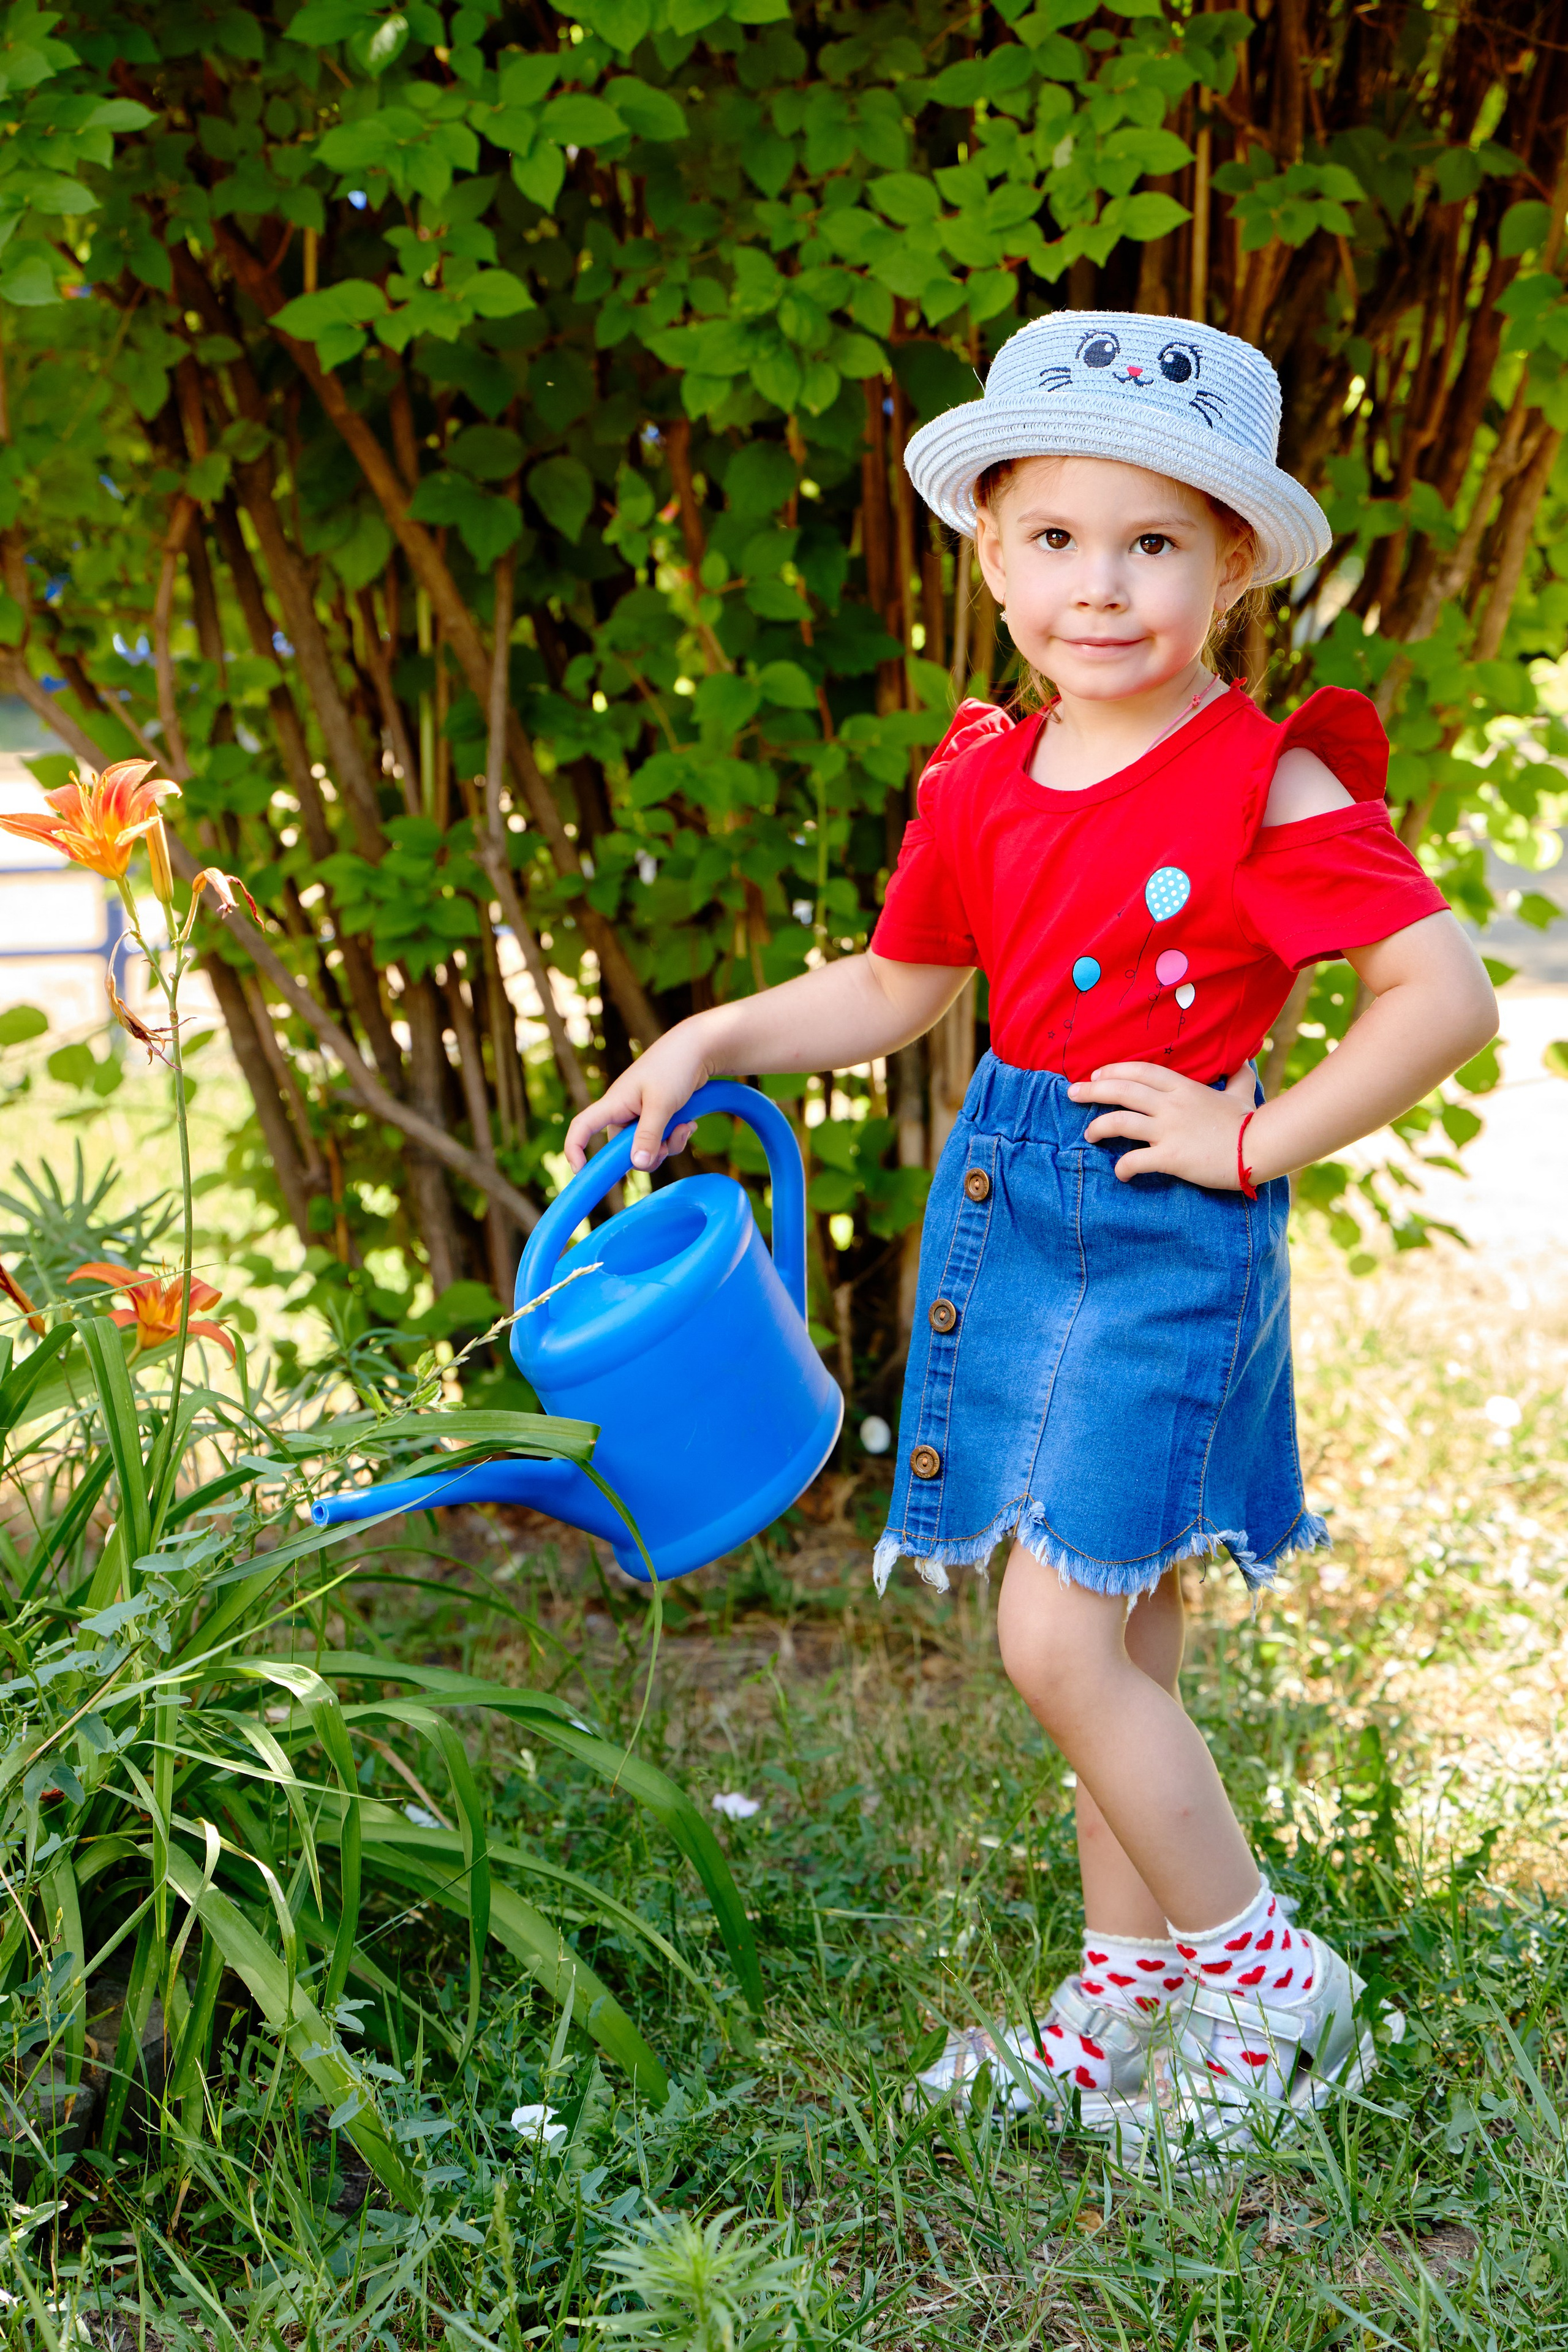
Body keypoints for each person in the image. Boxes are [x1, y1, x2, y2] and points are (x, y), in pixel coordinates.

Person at [564, 311, 1498, 2169]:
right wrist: (713, 1035)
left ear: (1232, 564)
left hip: (1160, 1237)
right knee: (1127, 1649)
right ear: (990, 553)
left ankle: (1271, 1982)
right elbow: (903, 986)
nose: (1101, 585)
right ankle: (1125, 2010)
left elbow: (1442, 994)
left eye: (1153, 542)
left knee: (1055, 1641)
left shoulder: (1262, 783)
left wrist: (1257, 1130)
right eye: (1058, 539)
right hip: (1010, 1214)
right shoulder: (989, 782)